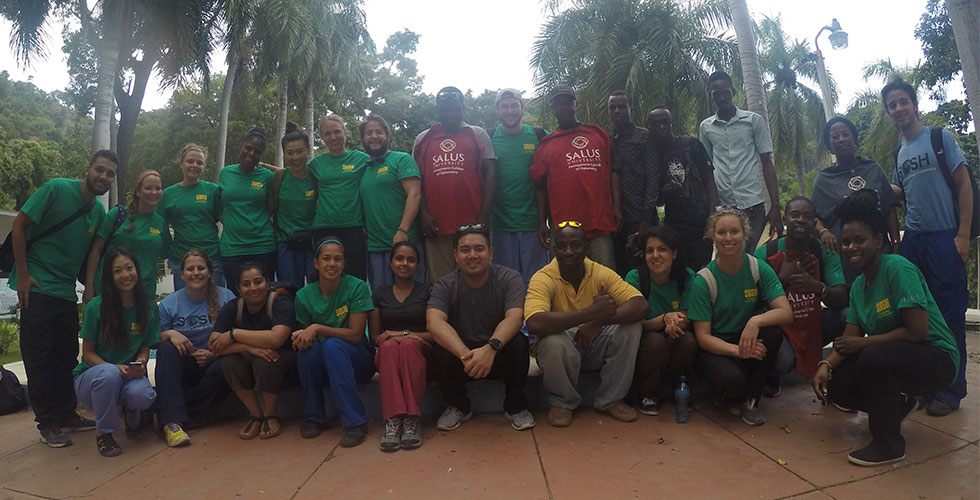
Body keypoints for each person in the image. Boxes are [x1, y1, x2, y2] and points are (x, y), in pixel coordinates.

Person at [813, 189, 959, 466]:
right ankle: (898, 405)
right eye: (846, 242)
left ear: (879, 240)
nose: (851, 248)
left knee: (873, 357)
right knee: (838, 380)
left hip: (936, 357)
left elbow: (917, 332)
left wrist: (864, 344)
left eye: (859, 240)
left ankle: (888, 444)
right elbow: (849, 339)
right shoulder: (858, 286)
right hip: (899, 356)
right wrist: (825, 366)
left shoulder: (897, 268)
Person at [9, 150, 115, 447]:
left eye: (109, 174)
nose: (103, 177)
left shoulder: (97, 213)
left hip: (66, 292)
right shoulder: (56, 188)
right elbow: (19, 225)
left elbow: (93, 255)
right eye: (100, 170)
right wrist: (24, 274)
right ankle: (47, 423)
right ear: (88, 169)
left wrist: (90, 289)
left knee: (66, 355)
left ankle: (67, 413)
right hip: (38, 289)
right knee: (39, 357)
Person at [884, 76, 971, 417]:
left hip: (944, 236)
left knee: (950, 316)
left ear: (914, 104)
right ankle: (927, 385)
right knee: (919, 317)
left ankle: (952, 391)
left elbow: (964, 186)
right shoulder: (899, 152)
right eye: (892, 105)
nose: (898, 109)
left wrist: (962, 235)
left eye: (903, 101)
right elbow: (901, 193)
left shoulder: (939, 138)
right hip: (914, 241)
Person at [525, 221, 648, 427]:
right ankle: (563, 403)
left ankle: (611, 399)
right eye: (562, 246)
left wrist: (597, 321)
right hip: (563, 347)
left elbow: (640, 305)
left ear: (587, 247)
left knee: (632, 327)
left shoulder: (600, 272)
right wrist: (588, 313)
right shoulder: (543, 277)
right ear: (555, 249)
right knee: (552, 341)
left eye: (575, 245)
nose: (569, 251)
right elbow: (534, 322)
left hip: (594, 343)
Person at [686, 208, 793, 426]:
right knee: (732, 382)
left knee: (772, 334)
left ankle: (751, 401)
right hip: (716, 347)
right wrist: (739, 351)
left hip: (744, 335)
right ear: (712, 236)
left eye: (734, 232)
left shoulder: (757, 268)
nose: (728, 238)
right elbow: (703, 337)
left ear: (745, 234)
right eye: (721, 232)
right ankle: (730, 395)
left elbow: (786, 312)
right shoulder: (704, 280)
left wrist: (755, 321)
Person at [427, 223, 533, 431]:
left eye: (479, 249)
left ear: (490, 252)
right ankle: (458, 406)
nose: (472, 255)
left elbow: (515, 317)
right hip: (465, 358)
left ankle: (516, 407)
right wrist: (467, 356)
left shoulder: (509, 278)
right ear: (456, 256)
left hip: (497, 353)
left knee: (519, 342)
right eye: (465, 250)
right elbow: (434, 322)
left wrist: (490, 349)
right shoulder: (444, 285)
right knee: (439, 348)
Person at [753, 197, 848, 397]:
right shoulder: (766, 252)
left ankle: (836, 371)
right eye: (794, 215)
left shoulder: (823, 250)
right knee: (782, 360)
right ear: (785, 220)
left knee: (846, 315)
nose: (800, 220)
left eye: (807, 216)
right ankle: (773, 374)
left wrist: (817, 287)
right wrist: (782, 279)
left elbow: (842, 296)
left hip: (811, 321)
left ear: (814, 223)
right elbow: (751, 300)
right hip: (780, 328)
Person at [73, 248, 159, 457]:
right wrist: (113, 368)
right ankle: (104, 434)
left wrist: (141, 361)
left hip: (127, 375)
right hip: (93, 377)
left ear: (137, 270)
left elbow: (145, 346)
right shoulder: (96, 306)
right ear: (110, 277)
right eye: (117, 270)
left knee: (144, 396)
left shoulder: (148, 306)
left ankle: (130, 411)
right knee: (109, 375)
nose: (125, 275)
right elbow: (88, 354)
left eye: (129, 268)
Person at [292, 238, 376, 447]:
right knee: (307, 353)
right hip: (325, 360)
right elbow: (304, 334)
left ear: (344, 263)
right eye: (326, 259)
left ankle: (355, 422)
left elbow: (356, 335)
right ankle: (314, 416)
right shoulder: (303, 295)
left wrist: (318, 328)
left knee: (333, 345)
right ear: (316, 263)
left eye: (338, 259)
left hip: (358, 359)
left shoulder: (357, 287)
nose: (332, 264)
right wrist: (300, 339)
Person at [413, 86, 497, 282]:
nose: (450, 114)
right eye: (445, 109)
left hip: (472, 222)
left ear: (463, 108)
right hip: (436, 224)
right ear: (437, 110)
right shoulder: (423, 138)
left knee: (475, 278)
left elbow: (491, 175)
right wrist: (423, 214)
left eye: (455, 109)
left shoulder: (478, 134)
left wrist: (484, 215)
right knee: (440, 282)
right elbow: (416, 181)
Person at [530, 85, 619, 269]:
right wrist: (541, 222)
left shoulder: (598, 135)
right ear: (553, 109)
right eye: (559, 104)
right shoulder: (547, 144)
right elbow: (539, 185)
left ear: (575, 104)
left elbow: (614, 172)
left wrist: (617, 208)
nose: (564, 107)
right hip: (564, 230)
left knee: (605, 282)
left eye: (568, 103)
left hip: (599, 224)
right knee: (565, 285)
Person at [155, 249, 237, 447]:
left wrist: (214, 354)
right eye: (190, 269)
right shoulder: (169, 304)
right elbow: (151, 339)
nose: (196, 273)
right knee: (166, 350)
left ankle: (166, 411)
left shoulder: (226, 297)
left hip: (215, 364)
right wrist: (170, 334)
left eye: (201, 268)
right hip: (186, 364)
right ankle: (173, 423)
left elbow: (238, 334)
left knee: (230, 364)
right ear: (181, 274)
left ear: (209, 272)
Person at [209, 262, 296, 440]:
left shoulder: (280, 301)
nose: (253, 288)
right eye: (246, 284)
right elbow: (213, 345)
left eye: (258, 282)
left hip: (285, 364)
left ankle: (271, 414)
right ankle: (255, 415)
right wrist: (248, 347)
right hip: (251, 360)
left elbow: (276, 339)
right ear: (239, 288)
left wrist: (234, 334)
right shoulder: (233, 307)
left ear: (267, 282)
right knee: (230, 361)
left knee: (266, 358)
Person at [699, 71, 781, 252]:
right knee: (729, 257)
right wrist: (711, 209)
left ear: (733, 92)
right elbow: (707, 168)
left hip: (753, 204)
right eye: (716, 94)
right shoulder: (706, 127)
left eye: (725, 92)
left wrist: (775, 205)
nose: (722, 97)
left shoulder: (753, 121)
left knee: (755, 256)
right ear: (710, 95)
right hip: (724, 207)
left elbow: (766, 162)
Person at [811, 116, 900, 283]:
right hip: (846, 259)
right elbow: (813, 216)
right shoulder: (823, 180)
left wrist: (896, 244)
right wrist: (824, 232)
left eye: (846, 134)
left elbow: (889, 208)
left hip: (880, 254)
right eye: (835, 136)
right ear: (829, 144)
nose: (841, 139)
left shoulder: (872, 169)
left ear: (854, 137)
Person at [624, 226, 698, 416]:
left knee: (687, 339)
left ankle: (679, 388)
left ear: (674, 253)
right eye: (650, 251)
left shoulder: (686, 276)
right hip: (646, 342)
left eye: (662, 249)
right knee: (655, 342)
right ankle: (649, 394)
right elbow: (633, 323)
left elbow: (689, 316)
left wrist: (678, 322)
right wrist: (664, 319)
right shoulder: (636, 278)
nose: (655, 255)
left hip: (675, 336)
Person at [368, 242, 432, 451]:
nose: (405, 263)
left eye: (410, 259)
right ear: (391, 263)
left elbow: (435, 334)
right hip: (389, 353)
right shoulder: (380, 294)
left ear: (417, 265)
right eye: (399, 258)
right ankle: (393, 420)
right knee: (388, 348)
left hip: (420, 349)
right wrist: (392, 339)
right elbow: (376, 337)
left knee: (407, 345)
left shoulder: (427, 291)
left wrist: (402, 335)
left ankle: (412, 418)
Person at [490, 88, 549, 286]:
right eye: (504, 107)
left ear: (522, 108)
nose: (510, 111)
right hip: (499, 225)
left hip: (534, 224)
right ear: (497, 110)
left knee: (537, 283)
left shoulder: (540, 136)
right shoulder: (487, 139)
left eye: (514, 105)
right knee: (504, 283)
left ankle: (534, 317)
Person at [648, 106, 718, 269]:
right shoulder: (652, 155)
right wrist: (664, 193)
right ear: (650, 128)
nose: (661, 127)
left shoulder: (691, 145)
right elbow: (655, 197)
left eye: (665, 122)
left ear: (673, 124)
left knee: (702, 270)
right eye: (656, 124)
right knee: (678, 270)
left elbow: (709, 180)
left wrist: (712, 218)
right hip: (674, 225)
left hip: (699, 222)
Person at [358, 115, 424, 288]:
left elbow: (415, 194)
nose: (373, 136)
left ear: (387, 136)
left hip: (405, 244)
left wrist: (403, 230)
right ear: (363, 139)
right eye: (368, 133)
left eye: (378, 132)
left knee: (413, 299)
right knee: (380, 300)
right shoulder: (363, 170)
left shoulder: (401, 159)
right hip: (375, 247)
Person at [83, 169, 170, 301]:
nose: (154, 192)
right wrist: (89, 287)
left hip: (143, 293)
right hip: (109, 291)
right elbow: (96, 250)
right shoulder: (117, 215)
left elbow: (167, 253)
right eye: (148, 188)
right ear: (138, 191)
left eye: (158, 188)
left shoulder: (161, 223)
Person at [308, 115, 370, 281]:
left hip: (353, 226)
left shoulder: (362, 159)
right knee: (325, 278)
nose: (333, 137)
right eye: (327, 134)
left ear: (345, 132)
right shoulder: (316, 163)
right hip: (323, 227)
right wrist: (264, 165)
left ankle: (356, 308)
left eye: (337, 132)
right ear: (322, 138)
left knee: (355, 277)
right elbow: (293, 175)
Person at [157, 143, 224, 289]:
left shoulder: (213, 190)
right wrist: (167, 251)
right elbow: (159, 224)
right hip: (182, 259)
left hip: (212, 257)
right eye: (190, 161)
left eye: (199, 163)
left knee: (217, 305)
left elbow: (226, 220)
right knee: (186, 306)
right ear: (181, 164)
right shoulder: (168, 194)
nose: (194, 165)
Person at [218, 128, 277, 287]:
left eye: (257, 152)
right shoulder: (225, 173)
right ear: (241, 146)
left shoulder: (267, 176)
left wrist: (253, 221)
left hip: (262, 247)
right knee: (236, 298)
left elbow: (272, 205)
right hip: (232, 249)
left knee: (263, 295)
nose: (251, 153)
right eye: (248, 148)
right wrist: (233, 222)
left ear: (261, 155)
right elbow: (218, 208)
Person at [608, 91, 653, 272]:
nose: (617, 111)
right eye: (612, 108)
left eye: (621, 107)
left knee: (644, 267)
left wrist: (646, 217)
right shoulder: (608, 141)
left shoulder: (644, 137)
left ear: (630, 109)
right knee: (621, 267)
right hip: (615, 219)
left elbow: (652, 176)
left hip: (639, 216)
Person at [269, 123, 317, 289]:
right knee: (289, 290)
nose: (295, 157)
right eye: (290, 153)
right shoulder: (278, 178)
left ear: (308, 150)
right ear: (284, 153)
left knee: (317, 288)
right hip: (285, 243)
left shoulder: (317, 176)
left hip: (313, 243)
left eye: (300, 151)